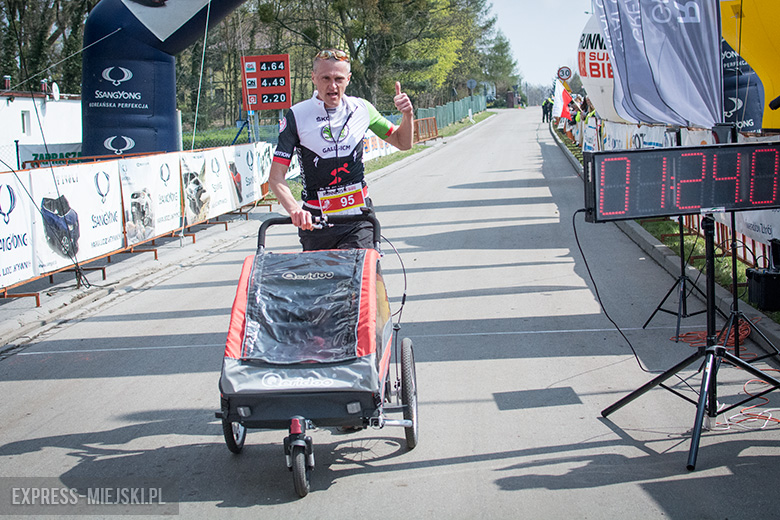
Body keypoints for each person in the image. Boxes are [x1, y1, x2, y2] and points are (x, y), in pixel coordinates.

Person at [268, 48, 414, 251]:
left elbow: (403, 142)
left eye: (338, 78)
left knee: (364, 278)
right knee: (324, 281)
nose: (332, 86)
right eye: (325, 78)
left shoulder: (362, 109)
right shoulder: (297, 115)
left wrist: (407, 115)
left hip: (358, 219)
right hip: (316, 222)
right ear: (313, 78)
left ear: (348, 79)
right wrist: (294, 210)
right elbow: (276, 177)